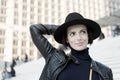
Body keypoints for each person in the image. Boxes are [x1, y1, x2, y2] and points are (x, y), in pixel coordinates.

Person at [30, 12, 113, 80]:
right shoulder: (54, 59)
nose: (79, 38)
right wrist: (62, 30)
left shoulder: (105, 72)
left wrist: (68, 31)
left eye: (83, 32)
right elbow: (34, 29)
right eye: (72, 34)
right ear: (67, 38)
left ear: (88, 35)